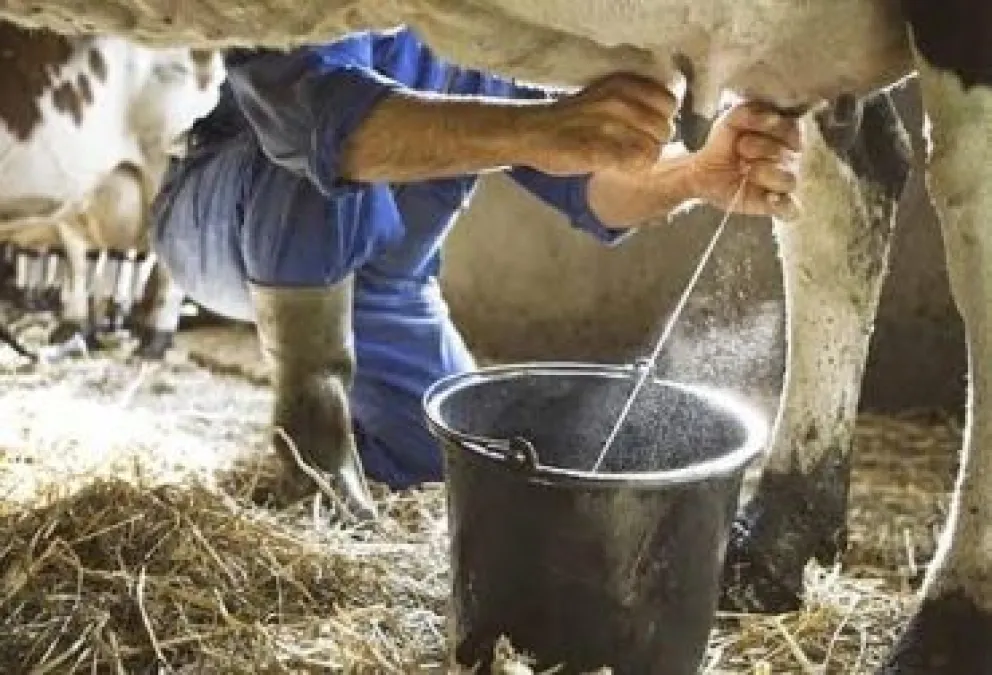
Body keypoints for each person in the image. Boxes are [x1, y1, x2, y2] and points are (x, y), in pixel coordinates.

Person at [152, 25, 803, 517]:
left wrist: (693, 173)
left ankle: (359, 434)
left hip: (384, 290)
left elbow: (593, 187)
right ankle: (309, 446)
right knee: (315, 154)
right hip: (225, 218)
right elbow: (317, 119)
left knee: (460, 460)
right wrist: (544, 129)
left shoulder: (489, 30)